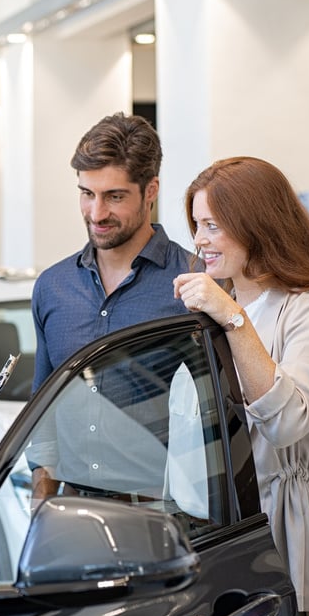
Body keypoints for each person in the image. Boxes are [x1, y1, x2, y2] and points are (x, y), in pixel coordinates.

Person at [172, 156, 309, 616]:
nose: (199, 241)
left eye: (213, 226)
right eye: (196, 225)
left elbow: (286, 422)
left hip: (264, 535)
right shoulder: (216, 309)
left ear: (255, 225)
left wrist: (233, 319)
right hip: (199, 533)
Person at [29, 112, 195, 501]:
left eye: (114, 196)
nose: (97, 213)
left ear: (150, 190)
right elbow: (44, 406)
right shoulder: (53, 287)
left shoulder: (195, 283)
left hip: (164, 515)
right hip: (72, 510)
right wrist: (43, 496)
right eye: (87, 194)